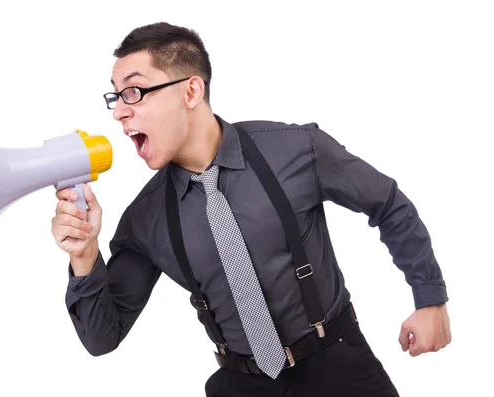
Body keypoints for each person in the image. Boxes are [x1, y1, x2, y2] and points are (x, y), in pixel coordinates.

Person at [50, 22, 451, 396]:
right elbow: (103, 338)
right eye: (116, 96)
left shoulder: (293, 149)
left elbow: (388, 204)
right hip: (240, 383)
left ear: (191, 91)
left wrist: (430, 298)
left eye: (134, 91)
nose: (120, 110)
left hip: (340, 368)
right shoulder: (145, 219)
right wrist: (84, 257)